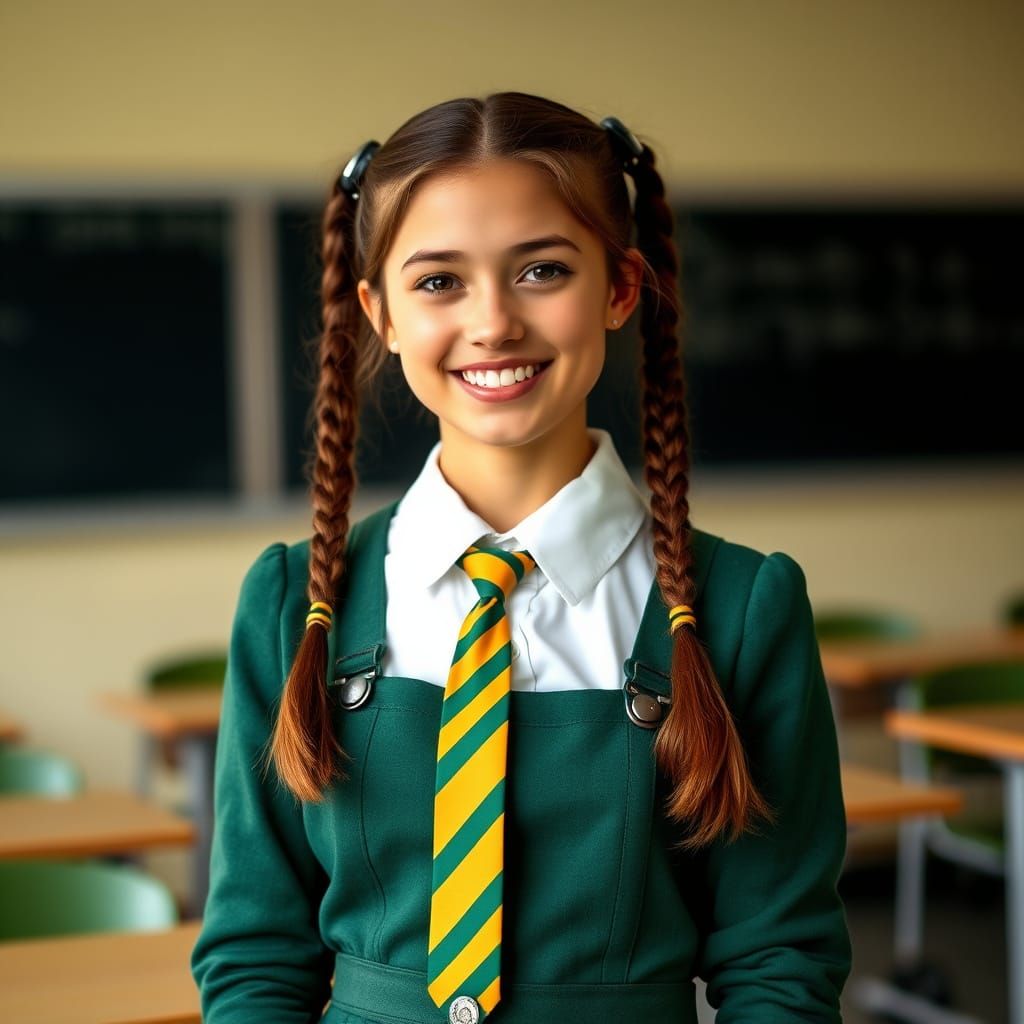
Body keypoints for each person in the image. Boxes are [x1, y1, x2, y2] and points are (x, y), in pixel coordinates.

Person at [191, 91, 852, 1024]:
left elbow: (780, 959)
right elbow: (257, 953)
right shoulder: (296, 600)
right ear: (378, 311)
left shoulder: (740, 604)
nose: (493, 322)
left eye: (541, 270)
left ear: (621, 288)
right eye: (439, 281)